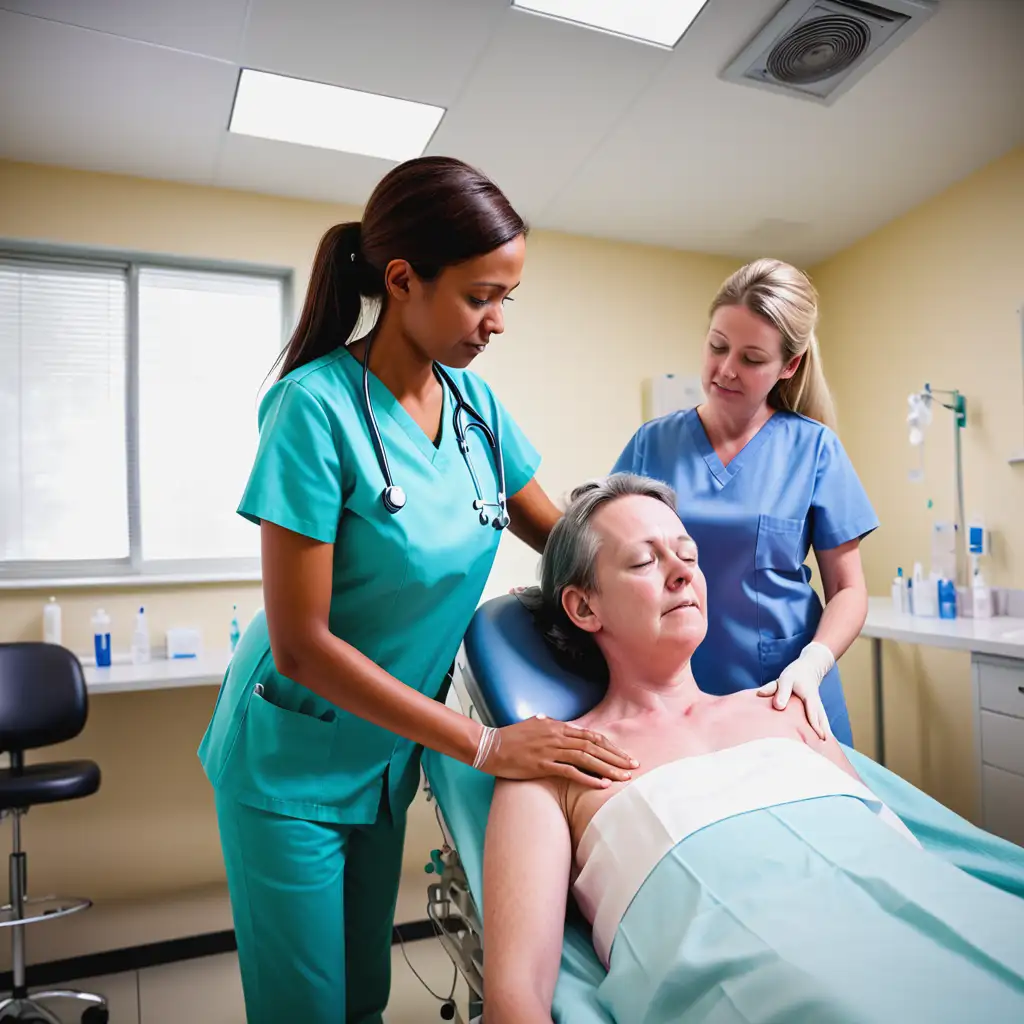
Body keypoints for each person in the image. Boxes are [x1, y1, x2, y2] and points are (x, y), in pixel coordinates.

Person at [196, 156, 638, 1024]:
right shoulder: (312, 410)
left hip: (382, 754)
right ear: (403, 280)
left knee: (365, 994)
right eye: (481, 296)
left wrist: (651, 565)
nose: (499, 321)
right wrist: (484, 745)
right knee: (307, 1011)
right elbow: (302, 644)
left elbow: (560, 536)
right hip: (290, 757)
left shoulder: (474, 406)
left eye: (508, 296)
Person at [482, 474, 1024, 1024]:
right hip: (783, 991)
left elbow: (901, 855)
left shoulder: (786, 710)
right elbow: (515, 998)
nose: (682, 573)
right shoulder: (554, 768)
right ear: (583, 607)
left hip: (952, 932)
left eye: (688, 554)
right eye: (645, 562)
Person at [612, 258, 876, 746]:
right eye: (717, 346)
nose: (726, 369)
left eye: (752, 359)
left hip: (786, 693)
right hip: (678, 697)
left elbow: (849, 590)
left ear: (788, 366)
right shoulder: (653, 444)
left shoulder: (814, 449)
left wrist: (812, 664)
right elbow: (604, 555)